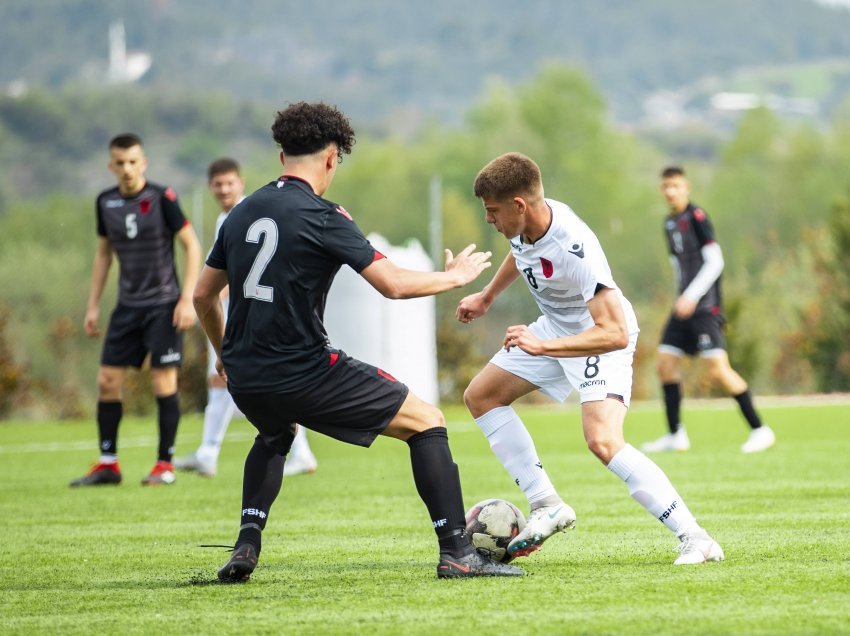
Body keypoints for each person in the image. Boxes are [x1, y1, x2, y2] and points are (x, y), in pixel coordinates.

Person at [193, 101, 522, 581]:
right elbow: (392, 285)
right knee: (426, 422)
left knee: (273, 434)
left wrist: (226, 356)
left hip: (247, 375)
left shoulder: (242, 213)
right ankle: (457, 552)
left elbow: (203, 297)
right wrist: (454, 278)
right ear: (331, 158)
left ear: (282, 155)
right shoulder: (324, 215)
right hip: (304, 371)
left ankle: (246, 546)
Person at [457, 152, 724, 565]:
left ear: (519, 205)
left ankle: (697, 538)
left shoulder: (573, 245)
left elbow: (614, 333)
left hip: (597, 336)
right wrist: (488, 296)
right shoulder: (524, 225)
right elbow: (521, 253)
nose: (489, 220)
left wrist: (542, 346)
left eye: (493, 212)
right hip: (554, 329)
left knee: (603, 441)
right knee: (481, 396)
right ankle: (546, 503)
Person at [70, 133, 202, 487]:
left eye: (133, 162)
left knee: (163, 381)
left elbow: (192, 246)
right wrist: (93, 305)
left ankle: (164, 465)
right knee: (107, 381)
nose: (127, 169)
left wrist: (187, 298)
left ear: (143, 163)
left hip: (163, 305)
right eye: (120, 163)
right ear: (111, 166)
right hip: (127, 307)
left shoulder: (163, 198)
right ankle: (108, 464)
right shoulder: (105, 202)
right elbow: (103, 255)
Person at [174, 158, 318, 478]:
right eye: (218, 184)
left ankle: (214, 452)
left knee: (253, 381)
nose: (224, 189)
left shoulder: (243, 215)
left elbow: (235, 276)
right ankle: (209, 452)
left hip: (248, 317)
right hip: (234, 314)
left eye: (229, 183)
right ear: (210, 187)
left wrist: (210, 301)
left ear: (241, 183)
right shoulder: (226, 218)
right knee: (224, 380)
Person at [641, 166, 775, 454]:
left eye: (675, 186)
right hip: (683, 307)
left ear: (686, 188)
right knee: (665, 363)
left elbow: (715, 262)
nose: (670, 191)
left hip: (704, 308)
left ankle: (760, 430)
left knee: (717, 370)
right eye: (665, 186)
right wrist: (680, 296)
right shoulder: (669, 223)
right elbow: (678, 264)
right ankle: (676, 435)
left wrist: (690, 296)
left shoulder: (697, 218)